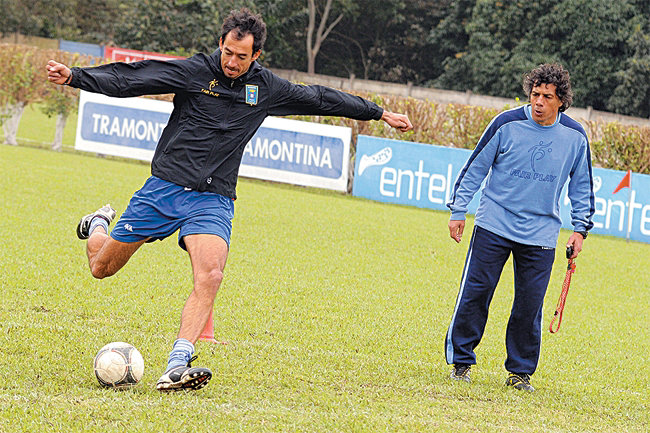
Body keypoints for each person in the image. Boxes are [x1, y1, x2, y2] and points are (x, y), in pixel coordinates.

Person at [46, 8, 412, 392]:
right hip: (164, 190)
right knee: (102, 268)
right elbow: (136, 77)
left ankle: (176, 364)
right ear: (220, 44)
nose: (232, 62)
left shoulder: (266, 88)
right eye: (228, 53)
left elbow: (320, 98)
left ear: (256, 56)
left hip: (213, 198)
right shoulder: (194, 71)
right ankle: (99, 223)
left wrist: (380, 113)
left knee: (211, 274)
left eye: (242, 56)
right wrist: (75, 77)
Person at [444, 63, 594, 392]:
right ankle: (461, 362)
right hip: (493, 224)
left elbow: (581, 187)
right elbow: (475, 167)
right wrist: (458, 210)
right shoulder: (505, 123)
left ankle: (520, 372)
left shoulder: (575, 137)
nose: (538, 101)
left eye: (547, 96)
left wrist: (580, 230)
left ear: (561, 101)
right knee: (476, 294)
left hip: (540, 235)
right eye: (535, 94)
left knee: (529, 305)